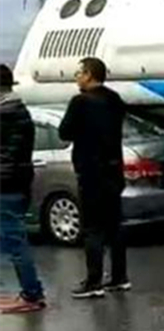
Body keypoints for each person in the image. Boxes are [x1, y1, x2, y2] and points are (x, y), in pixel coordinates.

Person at [59, 57, 129, 299]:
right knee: (115, 225)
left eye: (79, 73)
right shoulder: (115, 99)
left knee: (93, 228)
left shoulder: (80, 102)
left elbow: (64, 132)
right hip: (114, 170)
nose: (76, 77)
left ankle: (93, 281)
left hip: (91, 172)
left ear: (89, 74)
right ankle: (119, 277)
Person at [0, 64, 46, 313]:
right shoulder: (18, 110)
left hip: (6, 185)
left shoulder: (5, 114)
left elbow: (7, 156)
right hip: (18, 181)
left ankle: (31, 294)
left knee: (15, 239)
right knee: (11, 237)